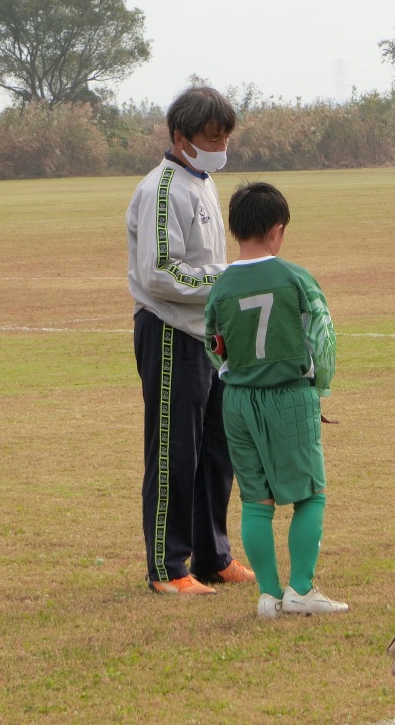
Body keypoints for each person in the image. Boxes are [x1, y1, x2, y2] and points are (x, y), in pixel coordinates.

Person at [126, 86, 256, 596]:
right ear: (181, 138)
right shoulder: (162, 189)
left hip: (207, 336)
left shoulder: (203, 183)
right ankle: (168, 566)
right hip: (169, 331)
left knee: (216, 449)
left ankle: (211, 555)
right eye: (211, 137)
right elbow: (160, 271)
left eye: (225, 137)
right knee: (174, 451)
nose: (221, 147)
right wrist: (227, 278)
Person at [204, 181, 345, 617]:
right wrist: (319, 386)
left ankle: (268, 595)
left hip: (237, 400)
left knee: (255, 500)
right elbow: (323, 338)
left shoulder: (221, 286)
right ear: (277, 230)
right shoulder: (295, 278)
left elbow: (212, 343)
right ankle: (300, 588)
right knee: (310, 494)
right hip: (288, 396)